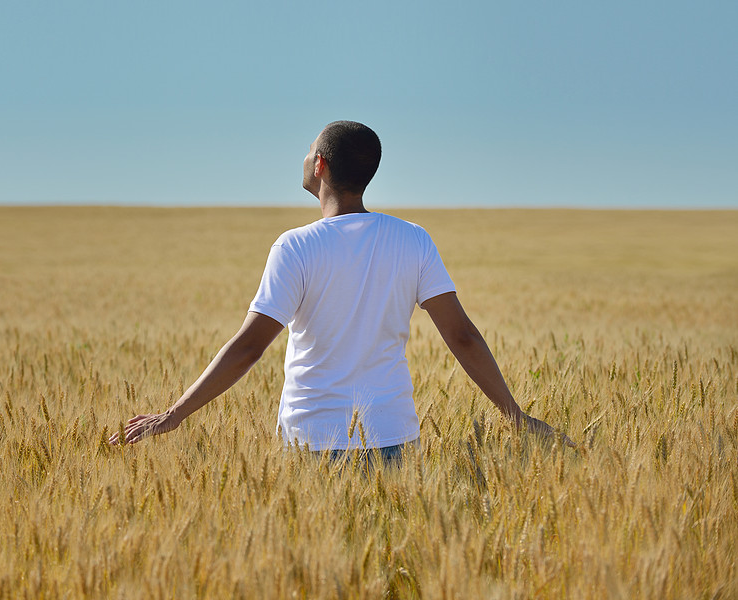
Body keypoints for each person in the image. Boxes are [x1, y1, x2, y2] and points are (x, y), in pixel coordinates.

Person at [109, 121, 572, 454]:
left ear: (321, 165)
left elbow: (250, 347)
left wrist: (173, 416)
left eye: (309, 150)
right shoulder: (413, 239)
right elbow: (463, 336)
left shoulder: (296, 246)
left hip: (311, 441)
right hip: (393, 438)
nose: (305, 157)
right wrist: (516, 415)